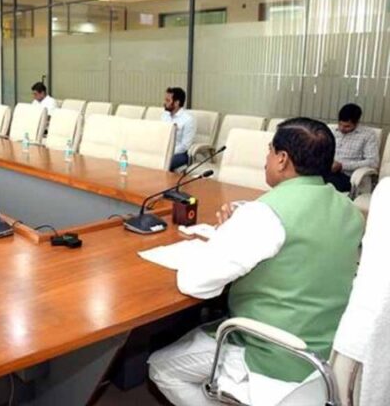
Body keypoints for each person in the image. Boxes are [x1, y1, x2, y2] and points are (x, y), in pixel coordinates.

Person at [148, 117, 364, 406]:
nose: (266, 159)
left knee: (161, 367)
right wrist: (240, 223)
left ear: (282, 159)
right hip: (326, 352)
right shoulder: (349, 209)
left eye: (269, 151)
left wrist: (225, 234)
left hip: (273, 352)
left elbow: (194, 283)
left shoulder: (265, 215)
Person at [325, 103, 379, 192]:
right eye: (340, 124)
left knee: (325, 185)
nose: (342, 128)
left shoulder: (368, 135)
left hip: (348, 176)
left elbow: (373, 162)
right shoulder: (331, 131)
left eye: (347, 126)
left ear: (356, 123)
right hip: (327, 171)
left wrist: (342, 166)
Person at [161, 87, 196, 171]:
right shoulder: (164, 115)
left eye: (168, 100)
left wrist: (168, 151)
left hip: (180, 153)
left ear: (176, 103)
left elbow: (185, 146)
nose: (164, 103)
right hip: (163, 150)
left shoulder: (188, 120)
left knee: (163, 163)